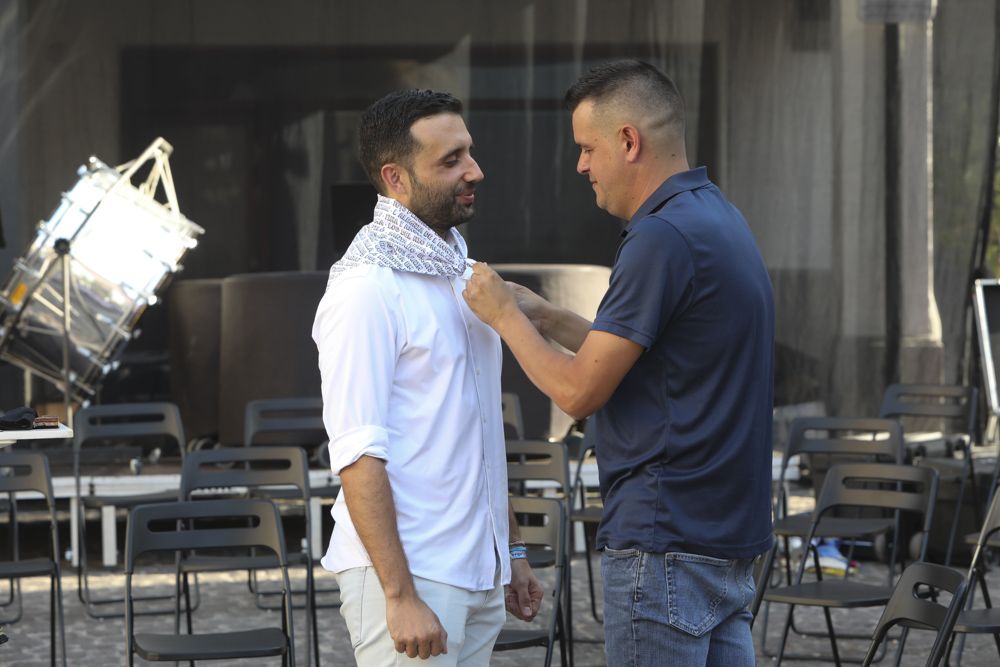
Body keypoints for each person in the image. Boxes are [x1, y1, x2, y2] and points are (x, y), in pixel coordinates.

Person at [462, 60, 774, 666]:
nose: (580, 165)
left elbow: (579, 392)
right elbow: (657, 358)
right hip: (725, 542)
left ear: (628, 141)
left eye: (586, 147)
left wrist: (502, 316)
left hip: (666, 543)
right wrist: (545, 316)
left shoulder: (659, 238)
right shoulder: (717, 217)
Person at [312, 89, 542, 666]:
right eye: (451, 160)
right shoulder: (366, 287)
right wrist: (399, 594)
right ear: (396, 178)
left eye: (469, 152)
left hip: (477, 573)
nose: (475, 171)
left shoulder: (465, 276)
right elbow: (357, 452)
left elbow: (483, 434)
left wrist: (509, 550)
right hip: (411, 577)